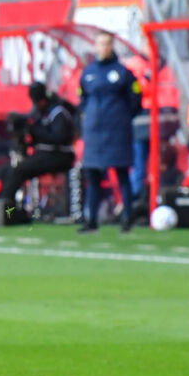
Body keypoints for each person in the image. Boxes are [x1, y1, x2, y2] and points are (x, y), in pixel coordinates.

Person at [78, 31, 141, 234]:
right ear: (95, 46)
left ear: (111, 46)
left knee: (122, 174)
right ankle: (91, 220)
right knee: (93, 176)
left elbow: (136, 100)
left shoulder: (123, 73)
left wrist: (120, 118)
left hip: (117, 132)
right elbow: (82, 101)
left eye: (106, 44)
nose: (103, 48)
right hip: (94, 134)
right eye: (99, 44)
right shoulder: (88, 73)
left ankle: (126, 218)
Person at [0, 82, 76, 223]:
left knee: (19, 170)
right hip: (46, 154)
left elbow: (58, 138)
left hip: (59, 155)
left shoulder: (58, 112)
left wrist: (35, 128)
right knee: (6, 171)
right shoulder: (42, 113)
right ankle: (8, 209)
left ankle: (8, 213)